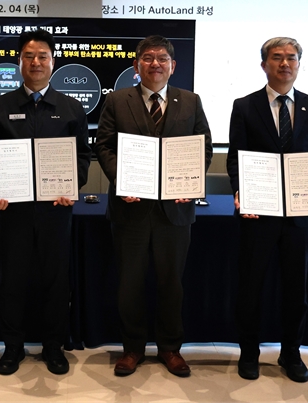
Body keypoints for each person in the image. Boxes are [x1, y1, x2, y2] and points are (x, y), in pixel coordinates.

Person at [95, 35, 212, 377]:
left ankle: (170, 348)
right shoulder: (117, 100)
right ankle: (132, 348)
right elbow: (104, 146)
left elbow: (203, 146)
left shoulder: (190, 101)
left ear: (173, 66)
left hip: (174, 211)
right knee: (129, 283)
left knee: (171, 284)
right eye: (148, 58)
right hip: (130, 209)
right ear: (136, 65)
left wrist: (190, 183)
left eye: (162, 58)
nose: (155, 63)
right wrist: (122, 180)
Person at [0, 29, 91, 376]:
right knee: (12, 281)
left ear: (52, 62)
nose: (36, 62)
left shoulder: (71, 107)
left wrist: (72, 185)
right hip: (13, 211)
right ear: (19, 62)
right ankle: (12, 347)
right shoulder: (1, 106)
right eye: (28, 56)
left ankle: (53, 347)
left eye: (42, 56)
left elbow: (83, 156)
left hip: (56, 211)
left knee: (55, 281)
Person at [227, 36, 308, 383]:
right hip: (259, 212)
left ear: (299, 64)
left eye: (292, 57)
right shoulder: (245, 106)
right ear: (264, 65)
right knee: (251, 288)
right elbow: (236, 157)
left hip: (300, 215)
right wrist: (240, 191)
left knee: (296, 291)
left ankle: (291, 353)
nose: (285, 63)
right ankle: (249, 353)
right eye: (277, 57)